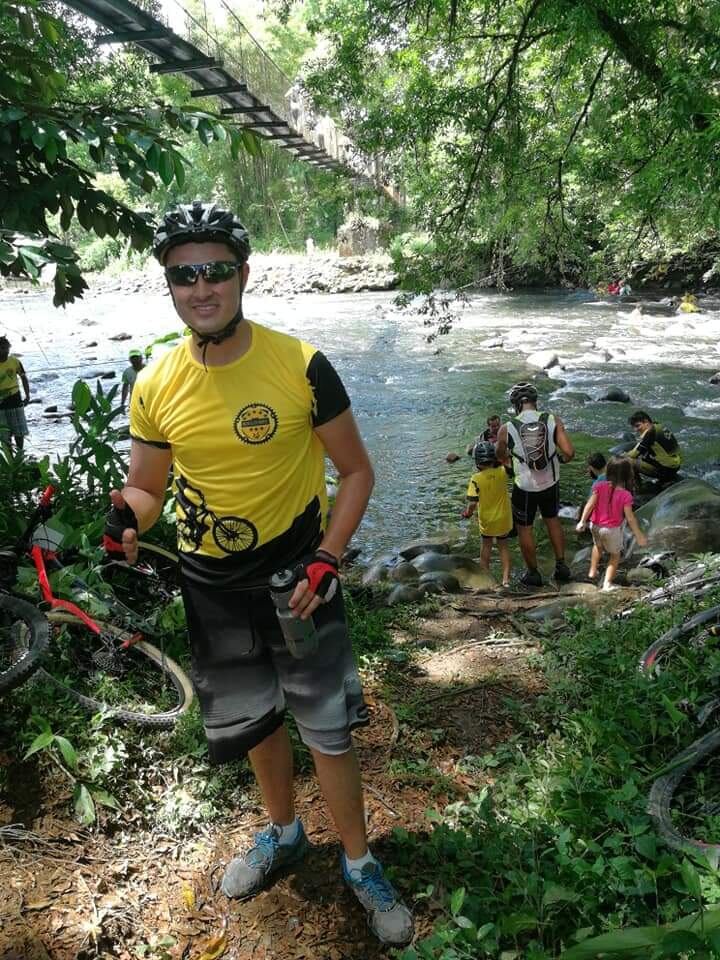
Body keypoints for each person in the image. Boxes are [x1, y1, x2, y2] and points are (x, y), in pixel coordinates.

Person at [103, 201, 413, 946]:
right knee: (256, 723)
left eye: (214, 271)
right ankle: (282, 832)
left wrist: (327, 557)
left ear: (244, 275)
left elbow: (357, 473)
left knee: (328, 729)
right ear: (169, 286)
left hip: (297, 580)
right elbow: (148, 488)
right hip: (210, 585)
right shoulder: (157, 381)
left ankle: (360, 860)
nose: (200, 287)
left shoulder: (300, 364)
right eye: (184, 275)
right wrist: (125, 517)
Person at [495, 382, 575, 587]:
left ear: (516, 405)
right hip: (551, 482)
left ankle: (533, 573)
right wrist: (559, 461)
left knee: (525, 529)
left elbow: (500, 455)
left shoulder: (507, 427)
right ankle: (561, 566)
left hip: (524, 486)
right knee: (552, 521)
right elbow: (569, 452)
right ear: (535, 402)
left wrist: (511, 465)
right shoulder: (552, 419)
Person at [576, 456, 648, 590]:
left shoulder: (598, 486)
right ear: (628, 475)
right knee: (615, 556)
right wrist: (639, 535)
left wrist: (582, 521)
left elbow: (589, 505)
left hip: (595, 526)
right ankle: (607, 584)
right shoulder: (626, 495)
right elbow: (630, 518)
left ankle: (592, 570)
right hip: (611, 529)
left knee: (597, 546)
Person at [461, 441, 512, 586]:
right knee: (503, 547)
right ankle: (506, 580)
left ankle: (486, 578)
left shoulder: (475, 479)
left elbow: (472, 503)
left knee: (486, 547)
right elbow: (508, 460)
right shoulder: (503, 471)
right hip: (504, 518)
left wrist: (467, 513)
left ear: (477, 461)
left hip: (487, 520)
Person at [627, 410, 682, 484]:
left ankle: (639, 487)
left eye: (637, 426)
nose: (635, 429)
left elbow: (633, 454)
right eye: (634, 427)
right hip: (676, 465)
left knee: (628, 461)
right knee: (644, 453)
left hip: (667, 470)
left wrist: (622, 455)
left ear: (646, 422)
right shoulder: (658, 426)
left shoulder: (649, 433)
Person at [0, 335, 30, 451]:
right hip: (1, 402)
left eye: (7, 348)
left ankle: (20, 455)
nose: (5, 351)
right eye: (2, 348)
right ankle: (10, 461)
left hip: (15, 397)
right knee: (4, 434)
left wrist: (27, 395)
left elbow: (23, 377)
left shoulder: (15, 361)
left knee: (19, 430)